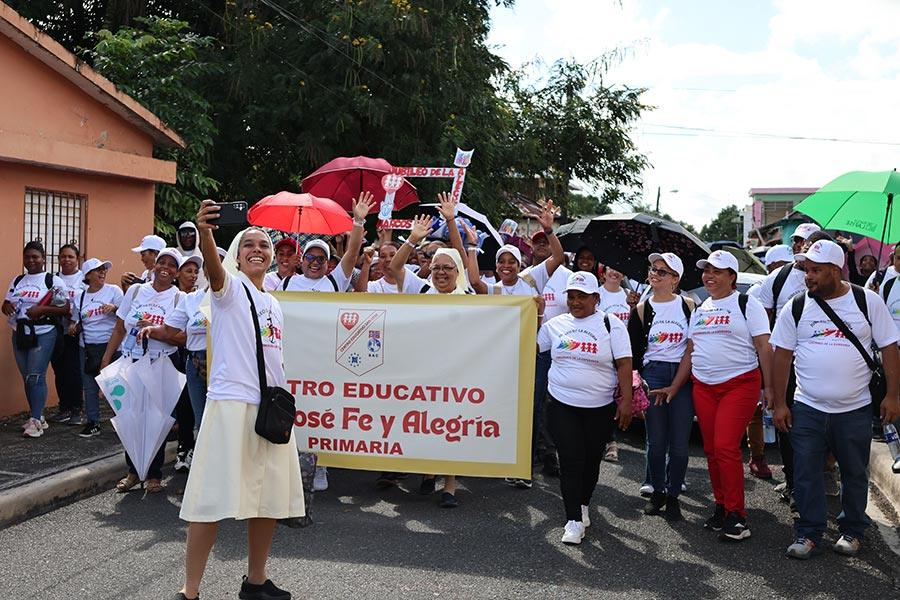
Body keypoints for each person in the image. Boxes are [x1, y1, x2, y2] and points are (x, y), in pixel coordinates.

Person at [176, 200, 303, 600]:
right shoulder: (229, 290)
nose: (257, 250)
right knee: (208, 500)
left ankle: (257, 581)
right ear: (237, 253)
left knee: (267, 499)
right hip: (230, 405)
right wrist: (207, 233)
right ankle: (190, 590)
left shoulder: (275, 303)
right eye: (248, 243)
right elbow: (214, 273)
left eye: (263, 244)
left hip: (269, 410)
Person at [771, 240, 900, 559]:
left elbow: (889, 349)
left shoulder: (867, 301)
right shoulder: (797, 306)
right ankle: (808, 532)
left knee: (855, 472)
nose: (808, 277)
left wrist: (894, 396)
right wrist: (779, 403)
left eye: (815, 271)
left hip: (854, 409)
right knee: (805, 472)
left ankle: (852, 530)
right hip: (808, 407)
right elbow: (782, 356)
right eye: (806, 270)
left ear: (835, 270)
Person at [283, 192, 375, 496]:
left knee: (321, 410)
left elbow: (351, 254)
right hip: (292, 357)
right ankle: (292, 461)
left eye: (321, 259)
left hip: (324, 359)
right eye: (310, 257)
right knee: (294, 410)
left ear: (327, 263)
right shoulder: (284, 283)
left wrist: (358, 221)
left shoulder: (334, 281)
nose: (315, 263)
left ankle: (320, 463)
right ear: (302, 260)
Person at [469, 200, 564, 488]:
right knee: (500, 407)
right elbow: (474, 281)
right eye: (502, 262)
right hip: (501, 360)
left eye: (511, 261)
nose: (507, 266)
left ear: (519, 263)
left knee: (531, 410)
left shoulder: (531, 280)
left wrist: (548, 229)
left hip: (532, 357)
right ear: (496, 266)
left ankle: (524, 469)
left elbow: (558, 257)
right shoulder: (495, 288)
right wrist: (473, 247)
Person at [538, 271, 633, 545]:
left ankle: (582, 505)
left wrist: (626, 401)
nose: (576, 302)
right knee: (570, 460)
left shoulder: (610, 324)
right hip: (561, 403)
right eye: (571, 296)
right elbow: (531, 346)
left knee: (591, 460)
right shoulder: (555, 325)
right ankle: (573, 520)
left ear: (596, 298)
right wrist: (533, 315)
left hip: (599, 406)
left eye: (582, 296)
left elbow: (625, 364)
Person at [685, 250, 773, 541]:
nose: (709, 276)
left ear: (732, 277)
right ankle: (722, 506)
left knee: (725, 446)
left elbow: (764, 347)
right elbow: (691, 350)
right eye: (706, 270)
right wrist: (676, 385)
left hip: (740, 384)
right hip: (704, 386)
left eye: (717, 271)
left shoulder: (748, 304)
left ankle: (738, 516)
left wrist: (770, 388)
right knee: (711, 449)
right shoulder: (701, 308)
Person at [388, 213, 473, 507]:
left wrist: (451, 223)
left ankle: (449, 485)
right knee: (425, 423)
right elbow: (395, 266)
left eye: (447, 268)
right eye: (436, 267)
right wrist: (413, 238)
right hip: (421, 374)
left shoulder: (468, 297)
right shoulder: (420, 289)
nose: (441, 273)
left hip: (455, 375)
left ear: (457, 271)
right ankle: (427, 472)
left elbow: (462, 254)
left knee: (451, 427)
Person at [756, 227, 831, 502]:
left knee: (822, 425)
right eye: (798, 240)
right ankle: (793, 481)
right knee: (786, 423)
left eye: (809, 242)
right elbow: (763, 320)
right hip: (785, 363)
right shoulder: (779, 278)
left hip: (821, 366)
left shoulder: (834, 280)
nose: (802, 245)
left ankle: (822, 473)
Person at [101, 248, 183, 494]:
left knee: (156, 419)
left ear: (177, 272)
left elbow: (180, 338)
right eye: (162, 263)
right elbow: (119, 328)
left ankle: (155, 473)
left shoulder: (179, 298)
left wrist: (156, 329)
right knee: (130, 416)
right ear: (154, 266)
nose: (165, 268)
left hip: (161, 363)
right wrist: (106, 359)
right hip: (132, 361)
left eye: (171, 265)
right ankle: (134, 471)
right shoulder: (136, 291)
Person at [629, 253, 694, 521]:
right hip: (653, 374)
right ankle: (657, 492)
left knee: (679, 444)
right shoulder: (641, 309)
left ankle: (674, 495)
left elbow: (695, 346)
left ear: (675, 280)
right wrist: (635, 383)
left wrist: (680, 380)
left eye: (662, 272)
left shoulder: (689, 306)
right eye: (653, 269)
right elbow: (632, 353)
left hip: (682, 375)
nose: (654, 274)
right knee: (656, 442)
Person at [2, 241, 69, 438]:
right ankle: (38, 417)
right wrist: (5, 307)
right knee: (28, 377)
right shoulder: (17, 280)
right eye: (27, 257)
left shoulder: (52, 281)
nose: (31, 260)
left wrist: (42, 309)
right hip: (20, 332)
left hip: (44, 332)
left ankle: (35, 420)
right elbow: (7, 302)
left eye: (35, 257)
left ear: (43, 258)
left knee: (35, 375)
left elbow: (65, 309)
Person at [525, 228, 571, 477]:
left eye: (547, 242)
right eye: (538, 242)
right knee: (533, 402)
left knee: (552, 403)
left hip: (559, 349)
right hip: (530, 348)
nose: (542, 245)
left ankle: (551, 454)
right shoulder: (525, 276)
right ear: (531, 247)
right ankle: (532, 454)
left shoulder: (566, 276)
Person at [72, 258, 123, 437]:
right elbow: (77, 320)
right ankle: (93, 422)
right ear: (87, 276)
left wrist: (115, 308)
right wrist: (74, 326)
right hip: (87, 346)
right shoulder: (80, 298)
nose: (102, 273)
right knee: (89, 385)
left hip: (110, 345)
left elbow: (125, 316)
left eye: (103, 270)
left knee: (115, 385)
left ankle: (125, 420)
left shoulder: (114, 291)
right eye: (97, 270)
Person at [597, 265, 641, 463]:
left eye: (619, 270)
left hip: (622, 354)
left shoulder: (628, 295)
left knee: (618, 396)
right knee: (604, 396)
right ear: (603, 272)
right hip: (602, 353)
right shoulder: (596, 295)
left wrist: (634, 307)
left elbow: (634, 326)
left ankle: (610, 440)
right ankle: (607, 439)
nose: (615, 272)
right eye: (610, 269)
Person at [51, 243, 85, 425]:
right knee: (59, 369)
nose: (66, 260)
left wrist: (76, 322)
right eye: (63, 256)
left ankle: (77, 409)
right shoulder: (54, 278)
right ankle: (63, 408)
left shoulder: (83, 280)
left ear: (77, 259)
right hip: (57, 330)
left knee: (74, 370)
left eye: (70, 256)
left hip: (75, 331)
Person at [176, 221, 207, 290]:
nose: (187, 237)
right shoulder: (175, 253)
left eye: (191, 233)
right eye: (184, 234)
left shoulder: (204, 254)